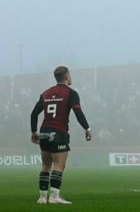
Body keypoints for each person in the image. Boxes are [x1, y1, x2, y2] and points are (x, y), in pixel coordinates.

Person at [30, 66, 92, 204]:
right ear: (66, 77)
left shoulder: (46, 93)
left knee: (45, 165)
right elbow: (77, 112)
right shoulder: (71, 93)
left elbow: (34, 113)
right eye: (70, 75)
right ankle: (54, 197)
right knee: (59, 165)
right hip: (59, 132)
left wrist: (34, 132)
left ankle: (41, 197)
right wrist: (87, 128)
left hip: (44, 132)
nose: (71, 77)